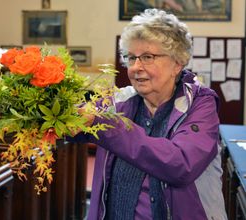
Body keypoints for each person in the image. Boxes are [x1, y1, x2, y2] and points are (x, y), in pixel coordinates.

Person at [74, 8, 227, 220]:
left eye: (147, 57)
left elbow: (181, 164)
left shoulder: (200, 104)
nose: (136, 67)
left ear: (177, 63)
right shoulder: (120, 101)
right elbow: (74, 122)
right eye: (131, 57)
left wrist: (106, 125)